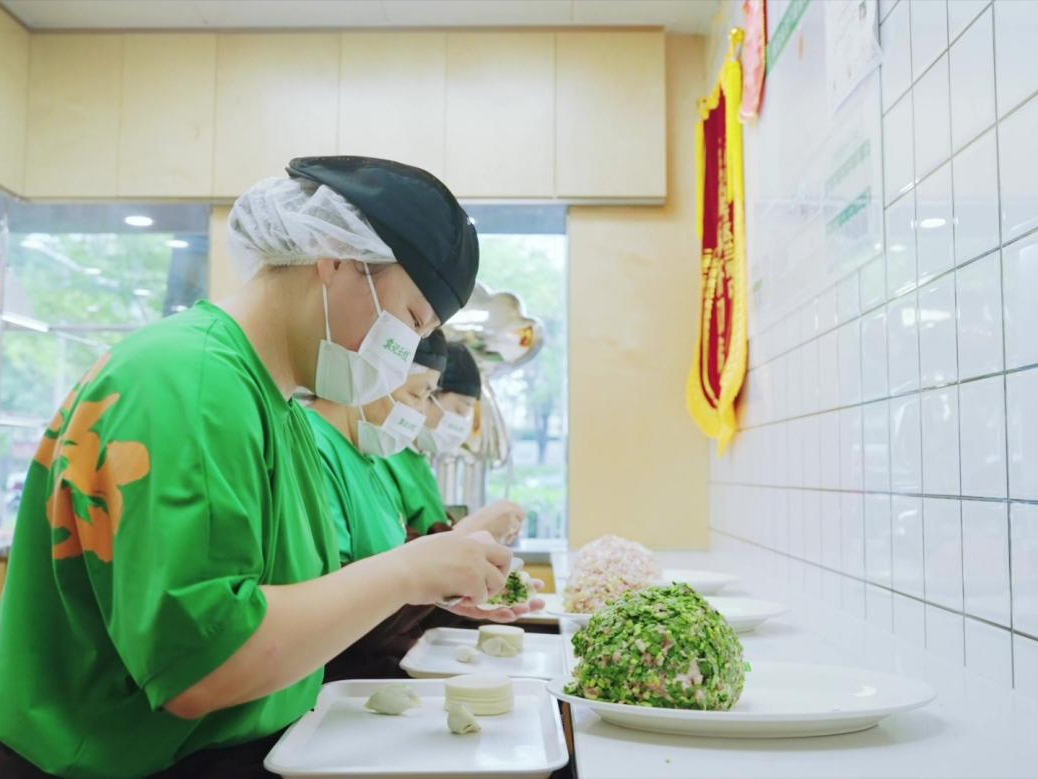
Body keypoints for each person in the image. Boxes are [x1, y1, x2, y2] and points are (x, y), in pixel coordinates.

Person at [0, 156, 512, 779]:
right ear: (337, 257)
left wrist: (428, 577)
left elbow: (291, 606)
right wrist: (408, 573)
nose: (401, 355)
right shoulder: (191, 382)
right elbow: (206, 664)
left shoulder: (277, 406)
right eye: (408, 321)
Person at [381, 340, 523, 545]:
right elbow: (402, 550)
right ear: (429, 395)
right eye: (459, 410)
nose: (461, 423)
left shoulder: (418, 462)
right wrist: (476, 526)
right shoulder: (386, 456)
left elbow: (431, 533)